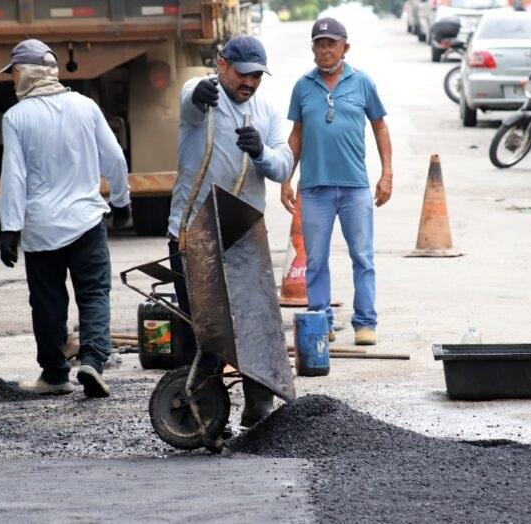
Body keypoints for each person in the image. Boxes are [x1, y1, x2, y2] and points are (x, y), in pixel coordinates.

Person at [168, 35, 292, 427]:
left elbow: (283, 166)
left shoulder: (266, 111)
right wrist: (198, 93)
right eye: (243, 74)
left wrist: (261, 152)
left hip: (243, 238)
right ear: (222, 65)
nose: (250, 82)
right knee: (202, 330)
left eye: (257, 76)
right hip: (192, 235)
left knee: (254, 324)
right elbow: (188, 100)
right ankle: (201, 410)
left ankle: (258, 405)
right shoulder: (202, 97)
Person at [0, 39, 130, 398]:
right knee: (94, 293)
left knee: (47, 301)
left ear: (24, 73)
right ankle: (93, 360)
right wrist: (121, 201)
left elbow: (14, 176)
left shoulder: (16, 118)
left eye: (13, 74)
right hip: (87, 221)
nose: (12, 80)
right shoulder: (85, 106)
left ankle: (55, 374)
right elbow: (115, 158)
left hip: (41, 228)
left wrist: (10, 228)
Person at [280, 18, 393, 346]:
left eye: (331, 43)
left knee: (362, 257)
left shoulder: (362, 82)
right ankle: (321, 320)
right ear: (312, 48)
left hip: (355, 187)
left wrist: (386, 173)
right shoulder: (303, 86)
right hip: (314, 189)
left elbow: (380, 127)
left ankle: (365, 323)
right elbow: (297, 134)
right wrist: (286, 178)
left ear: (346, 47)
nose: (325, 50)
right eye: (319, 44)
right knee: (315, 260)